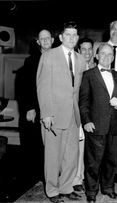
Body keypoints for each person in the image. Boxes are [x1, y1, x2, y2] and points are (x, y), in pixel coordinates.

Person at [36, 21, 85, 203]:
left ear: (77, 38)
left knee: (71, 156)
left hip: (73, 115)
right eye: (68, 35)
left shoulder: (80, 59)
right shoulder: (49, 56)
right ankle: (52, 190)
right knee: (52, 157)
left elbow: (78, 91)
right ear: (61, 37)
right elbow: (42, 86)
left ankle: (66, 187)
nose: (72, 38)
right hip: (54, 115)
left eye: (75, 35)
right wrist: (46, 113)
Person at [79, 43, 117, 203]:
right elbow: (83, 101)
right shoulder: (88, 75)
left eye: (110, 55)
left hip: (114, 126)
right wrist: (86, 121)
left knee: (111, 160)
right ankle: (91, 192)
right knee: (93, 162)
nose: (107, 57)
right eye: (103, 54)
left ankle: (108, 188)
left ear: (113, 58)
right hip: (95, 125)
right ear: (97, 56)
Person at [16, 29, 54, 182]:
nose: (45, 41)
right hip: (38, 109)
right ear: (38, 42)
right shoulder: (31, 61)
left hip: (56, 109)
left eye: (47, 38)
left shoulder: (60, 58)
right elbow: (26, 87)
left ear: (52, 40)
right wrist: (30, 108)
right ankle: (39, 177)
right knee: (37, 145)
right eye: (42, 39)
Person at [71, 37, 95, 194]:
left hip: (93, 115)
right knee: (77, 148)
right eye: (83, 49)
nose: (86, 52)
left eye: (89, 49)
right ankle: (76, 179)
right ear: (78, 51)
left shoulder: (96, 67)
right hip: (77, 113)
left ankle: (88, 177)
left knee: (90, 149)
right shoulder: (74, 67)